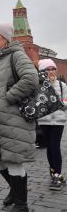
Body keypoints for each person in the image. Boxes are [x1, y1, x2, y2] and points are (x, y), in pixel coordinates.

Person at [0, 24, 38, 212]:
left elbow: (30, 78)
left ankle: (22, 204)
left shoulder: (17, 55)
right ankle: (15, 191)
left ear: (6, 38)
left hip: (14, 119)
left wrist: (8, 97)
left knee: (14, 160)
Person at [37, 59, 67, 191]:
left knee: (55, 146)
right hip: (44, 120)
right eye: (47, 69)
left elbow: (65, 100)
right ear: (42, 72)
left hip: (58, 119)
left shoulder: (61, 85)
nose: (51, 72)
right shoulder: (39, 86)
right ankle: (54, 171)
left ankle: (57, 175)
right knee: (49, 147)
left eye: (52, 69)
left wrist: (61, 104)